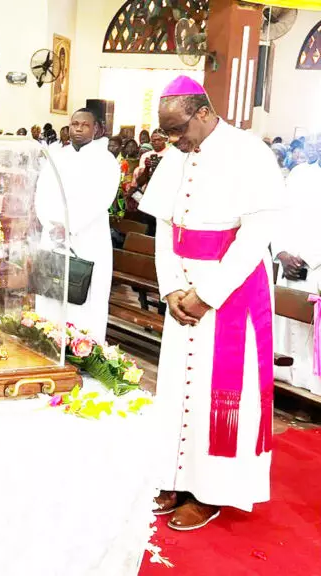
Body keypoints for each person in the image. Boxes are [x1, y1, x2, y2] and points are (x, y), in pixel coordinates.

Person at [139, 76, 282, 530]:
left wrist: (208, 294)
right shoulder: (175, 154)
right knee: (179, 392)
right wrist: (170, 288)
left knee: (221, 397)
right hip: (182, 288)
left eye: (178, 130)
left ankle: (212, 489)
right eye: (165, 133)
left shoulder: (249, 152)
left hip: (231, 290)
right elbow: (164, 227)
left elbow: (255, 236)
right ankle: (175, 477)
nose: (173, 141)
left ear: (203, 112)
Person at [35, 108, 120, 342]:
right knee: (50, 290)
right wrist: (50, 223)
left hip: (87, 236)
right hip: (53, 236)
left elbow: (102, 198)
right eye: (74, 124)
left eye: (84, 125)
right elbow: (42, 193)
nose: (78, 129)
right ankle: (48, 341)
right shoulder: (57, 156)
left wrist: (69, 226)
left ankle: (83, 349)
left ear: (96, 129)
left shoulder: (105, 160)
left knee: (84, 293)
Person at [273, 140, 321, 396]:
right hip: (288, 264)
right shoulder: (300, 173)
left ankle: (308, 388)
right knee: (283, 325)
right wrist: (281, 252)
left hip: (315, 269)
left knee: (309, 333)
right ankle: (282, 379)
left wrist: (306, 258)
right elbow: (278, 213)